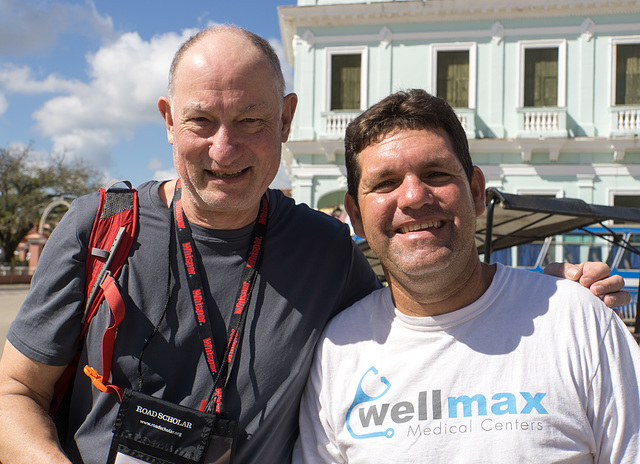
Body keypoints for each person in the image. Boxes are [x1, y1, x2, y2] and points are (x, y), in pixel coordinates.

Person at [0, 27, 628, 464]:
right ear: (168, 120)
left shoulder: (327, 250)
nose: (225, 149)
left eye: (250, 120)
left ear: (286, 118)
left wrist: (545, 300)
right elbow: (15, 392)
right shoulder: (99, 230)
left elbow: (425, 297)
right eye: (201, 122)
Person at [293, 90, 640, 463]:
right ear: (356, 216)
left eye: (435, 173)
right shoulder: (337, 352)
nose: (413, 196)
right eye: (385, 183)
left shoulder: (577, 320)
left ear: (475, 191)